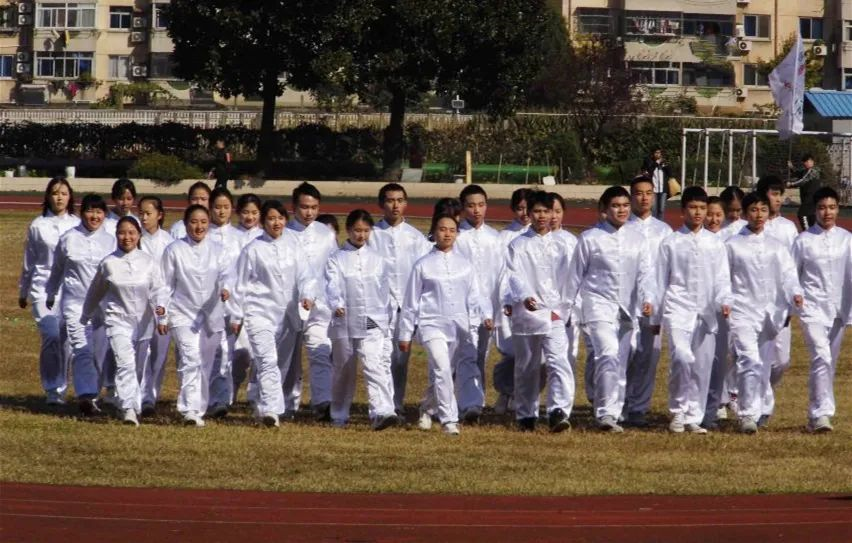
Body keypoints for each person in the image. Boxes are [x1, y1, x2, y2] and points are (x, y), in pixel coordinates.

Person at [564, 186, 655, 433]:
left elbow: (646, 273)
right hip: (598, 305)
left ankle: (615, 410)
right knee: (608, 352)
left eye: (625, 205)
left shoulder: (638, 239)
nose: (621, 210)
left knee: (623, 359)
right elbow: (574, 276)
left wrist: (648, 298)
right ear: (604, 209)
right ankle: (605, 413)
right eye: (615, 206)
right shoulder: (590, 238)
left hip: (627, 307)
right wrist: (566, 309)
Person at [399, 214, 491, 436]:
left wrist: (483, 317)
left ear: (457, 234)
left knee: (446, 372)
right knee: (441, 368)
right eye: (442, 229)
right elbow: (410, 302)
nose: (447, 234)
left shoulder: (465, 265)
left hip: (458, 326)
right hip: (431, 324)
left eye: (452, 230)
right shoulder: (422, 265)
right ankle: (449, 420)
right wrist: (405, 333)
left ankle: (426, 407)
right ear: (434, 232)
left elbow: (475, 296)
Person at [230, 200, 315, 428]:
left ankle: (261, 403)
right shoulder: (253, 249)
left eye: (280, 218)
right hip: (259, 313)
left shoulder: (294, 246)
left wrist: (307, 296)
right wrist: (237, 316)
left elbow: (306, 276)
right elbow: (239, 285)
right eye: (271, 218)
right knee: (267, 360)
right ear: (263, 221)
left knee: (280, 365)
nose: (276, 223)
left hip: (287, 315)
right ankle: (271, 411)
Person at [654, 187, 731, 434]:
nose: (698, 213)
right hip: (678, 308)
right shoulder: (671, 242)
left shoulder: (715, 243)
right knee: (682, 357)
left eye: (702, 208)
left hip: (706, 311)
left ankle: (693, 416)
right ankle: (678, 410)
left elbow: (722, 278)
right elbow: (659, 280)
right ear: (683, 210)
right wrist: (655, 312)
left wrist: (724, 300)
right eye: (693, 207)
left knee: (702, 365)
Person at [725, 192, 802, 434]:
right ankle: (747, 414)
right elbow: (722, 278)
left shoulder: (776, 247)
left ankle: (761, 408)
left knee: (766, 364)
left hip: (769, 313)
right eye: (753, 210)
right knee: (749, 359)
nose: (758, 215)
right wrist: (725, 301)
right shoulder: (732, 245)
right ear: (745, 213)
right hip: (742, 311)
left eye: (763, 210)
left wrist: (795, 293)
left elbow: (789, 275)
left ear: (769, 214)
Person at [82, 217, 166, 427]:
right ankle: (128, 407)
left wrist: (162, 315)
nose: (126, 237)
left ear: (139, 235)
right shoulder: (108, 263)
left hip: (144, 323)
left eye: (131, 233)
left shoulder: (149, 262)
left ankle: (129, 401)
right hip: (117, 320)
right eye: (122, 232)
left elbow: (159, 291)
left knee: (137, 367)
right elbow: (95, 291)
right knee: (125, 363)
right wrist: (86, 314)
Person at [505, 191, 574, 432]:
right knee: (527, 365)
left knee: (558, 360)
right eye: (537, 211)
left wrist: (563, 308)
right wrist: (524, 296)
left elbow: (571, 279)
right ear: (529, 213)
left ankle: (558, 411)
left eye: (546, 211)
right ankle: (526, 414)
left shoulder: (563, 244)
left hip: (555, 311)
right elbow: (513, 275)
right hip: (528, 313)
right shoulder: (518, 245)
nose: (542, 216)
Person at [159, 205, 232, 427]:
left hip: (211, 314)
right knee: (191, 358)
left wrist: (226, 288)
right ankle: (189, 410)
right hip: (182, 313)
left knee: (205, 364)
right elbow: (164, 284)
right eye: (193, 221)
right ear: (185, 224)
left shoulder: (219, 250)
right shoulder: (174, 250)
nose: (198, 227)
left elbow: (227, 274)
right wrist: (162, 315)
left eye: (203, 222)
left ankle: (199, 407)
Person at [326, 209, 398, 430]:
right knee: (343, 369)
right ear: (348, 230)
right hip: (345, 320)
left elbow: (385, 291)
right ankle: (339, 414)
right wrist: (337, 303)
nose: (361, 235)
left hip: (372, 319)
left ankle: (382, 411)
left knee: (373, 363)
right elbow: (332, 284)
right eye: (357, 230)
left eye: (366, 231)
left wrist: (386, 319)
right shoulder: (336, 258)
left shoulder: (378, 259)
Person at [45, 194, 116, 416]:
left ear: (104, 214)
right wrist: (51, 292)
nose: (94, 216)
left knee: (99, 353)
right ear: (81, 212)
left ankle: (94, 394)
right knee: (81, 348)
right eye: (90, 211)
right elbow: (57, 269)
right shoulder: (68, 238)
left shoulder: (111, 241)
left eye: (99, 212)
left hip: (102, 306)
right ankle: (86, 395)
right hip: (74, 303)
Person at [791, 187, 851, 432]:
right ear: (815, 211)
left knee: (829, 362)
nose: (828, 212)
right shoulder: (803, 241)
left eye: (832, 207)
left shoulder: (846, 239)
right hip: (812, 308)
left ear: (838, 209)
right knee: (821, 356)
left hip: (838, 308)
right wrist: (795, 296)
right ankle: (821, 414)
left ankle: (814, 414)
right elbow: (791, 274)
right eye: (823, 208)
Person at [367, 183, 431, 415]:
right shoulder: (372, 235)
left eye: (400, 200)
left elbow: (424, 273)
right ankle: (381, 405)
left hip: (405, 307)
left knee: (400, 359)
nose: (395, 205)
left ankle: (396, 403)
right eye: (390, 200)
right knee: (377, 356)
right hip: (378, 306)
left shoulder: (415, 237)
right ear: (381, 204)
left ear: (405, 203)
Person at [18, 177, 80, 405]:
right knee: (51, 335)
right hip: (42, 289)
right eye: (55, 193)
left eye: (64, 193)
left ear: (70, 197)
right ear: (48, 196)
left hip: (69, 289)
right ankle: (52, 388)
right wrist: (23, 290)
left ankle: (62, 386)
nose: (59, 198)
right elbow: (29, 261)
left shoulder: (77, 224)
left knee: (66, 340)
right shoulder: (38, 225)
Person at [285, 182, 338, 421]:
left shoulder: (326, 234)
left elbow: (333, 268)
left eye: (314, 207)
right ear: (294, 207)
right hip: (289, 306)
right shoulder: (285, 233)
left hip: (319, 306)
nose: (309, 212)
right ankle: (287, 404)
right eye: (304, 207)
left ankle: (323, 403)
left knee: (320, 352)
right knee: (290, 358)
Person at [623, 175, 672, 427]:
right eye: (639, 193)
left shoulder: (664, 231)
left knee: (649, 355)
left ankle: (638, 407)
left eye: (648, 193)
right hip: (627, 300)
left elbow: (668, 269)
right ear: (631, 196)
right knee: (626, 351)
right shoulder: (623, 227)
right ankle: (619, 401)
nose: (644, 198)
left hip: (655, 301)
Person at [754, 176, 798, 428]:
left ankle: (762, 389)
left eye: (780, 194)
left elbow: (793, 268)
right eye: (773, 193)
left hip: (779, 304)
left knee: (781, 360)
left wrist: (791, 303)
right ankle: (758, 404)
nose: (778, 199)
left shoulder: (788, 228)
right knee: (751, 356)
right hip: (753, 303)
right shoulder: (748, 226)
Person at [454, 185, 501, 420]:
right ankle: (464, 402)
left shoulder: (495, 238)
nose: (476, 210)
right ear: (463, 208)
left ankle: (476, 401)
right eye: (471, 205)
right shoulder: (456, 236)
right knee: (463, 355)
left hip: (488, 308)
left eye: (481, 205)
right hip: (461, 307)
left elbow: (501, 274)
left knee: (480, 354)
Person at [206, 188, 248, 418]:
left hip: (234, 304)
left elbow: (244, 275)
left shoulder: (240, 238)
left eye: (226, 207)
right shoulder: (204, 234)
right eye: (217, 207)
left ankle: (224, 397)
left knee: (232, 353)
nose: (221, 212)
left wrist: (238, 308)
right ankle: (212, 398)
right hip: (206, 304)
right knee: (212, 352)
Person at [492, 188, 533, 414]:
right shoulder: (504, 237)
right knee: (511, 351)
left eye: (528, 208)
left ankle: (523, 395)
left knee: (532, 353)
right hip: (509, 302)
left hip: (534, 302)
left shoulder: (540, 235)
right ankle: (505, 392)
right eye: (519, 208)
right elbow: (502, 273)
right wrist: (506, 300)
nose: (524, 213)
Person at [137, 196, 174, 416]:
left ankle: (151, 395)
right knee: (140, 350)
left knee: (159, 353)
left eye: (148, 213)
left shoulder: (169, 242)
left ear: (159, 215)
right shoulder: (135, 238)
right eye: (141, 213)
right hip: (138, 303)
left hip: (163, 302)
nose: (144, 218)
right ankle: (138, 395)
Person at [787, 154, 822, 231]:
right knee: (811, 217)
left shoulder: (814, 171)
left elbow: (803, 180)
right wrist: (791, 167)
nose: (805, 163)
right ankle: (813, 233)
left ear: (812, 161)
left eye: (807, 161)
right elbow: (797, 174)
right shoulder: (805, 171)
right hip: (808, 198)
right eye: (804, 162)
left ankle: (807, 232)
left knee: (802, 214)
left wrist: (791, 184)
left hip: (811, 198)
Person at [641, 147, 672, 220]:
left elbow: (670, 174)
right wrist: (656, 163)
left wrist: (665, 166)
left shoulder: (664, 162)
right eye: (656, 153)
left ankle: (660, 224)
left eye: (659, 153)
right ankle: (653, 224)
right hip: (653, 189)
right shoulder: (649, 162)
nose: (658, 154)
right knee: (653, 210)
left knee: (661, 210)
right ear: (653, 154)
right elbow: (649, 171)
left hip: (663, 189)